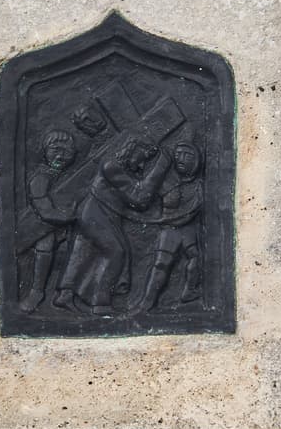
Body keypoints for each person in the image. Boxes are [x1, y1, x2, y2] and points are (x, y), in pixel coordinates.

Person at [55, 134, 170, 315]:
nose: (142, 164)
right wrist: (161, 167)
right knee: (116, 252)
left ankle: (65, 295)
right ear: (134, 148)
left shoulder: (124, 169)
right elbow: (139, 198)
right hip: (96, 215)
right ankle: (101, 304)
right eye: (144, 157)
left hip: (105, 216)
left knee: (82, 251)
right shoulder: (112, 167)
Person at [19, 127, 78, 310]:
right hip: (48, 227)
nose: (61, 156)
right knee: (44, 243)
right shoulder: (41, 178)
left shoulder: (73, 176)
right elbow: (45, 211)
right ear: (45, 152)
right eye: (55, 150)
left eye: (66, 151)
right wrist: (67, 216)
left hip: (70, 227)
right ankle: (37, 291)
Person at [143, 141, 205, 309]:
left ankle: (189, 291)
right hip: (170, 231)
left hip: (186, 228)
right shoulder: (167, 183)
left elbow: (193, 209)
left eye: (187, 155)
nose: (181, 159)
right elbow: (145, 198)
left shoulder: (197, 186)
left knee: (196, 257)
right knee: (161, 264)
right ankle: (148, 302)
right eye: (178, 155)